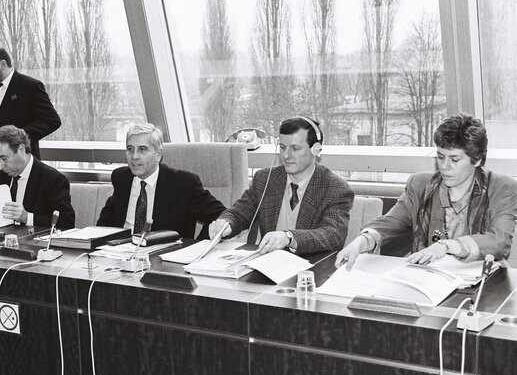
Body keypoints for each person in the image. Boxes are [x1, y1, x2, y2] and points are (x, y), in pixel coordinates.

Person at [336, 114, 517, 270]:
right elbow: (391, 222)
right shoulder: (421, 185)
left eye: (455, 159)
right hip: (429, 278)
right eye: (440, 157)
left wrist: (446, 246)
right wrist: (363, 240)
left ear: (477, 160)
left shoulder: (502, 187)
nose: (444, 166)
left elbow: (499, 241)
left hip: (482, 283)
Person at [209, 117, 354, 256]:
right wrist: (225, 223)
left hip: (312, 269)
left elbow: (333, 235)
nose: (286, 155)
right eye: (283, 147)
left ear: (315, 149)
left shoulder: (336, 188)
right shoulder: (265, 179)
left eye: (295, 148)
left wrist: (288, 238)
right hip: (267, 267)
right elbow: (239, 213)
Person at [97, 123, 225, 239]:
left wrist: (197, 246)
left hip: (163, 258)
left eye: (142, 149)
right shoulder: (121, 178)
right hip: (121, 255)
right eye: (130, 149)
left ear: (158, 154)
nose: (134, 156)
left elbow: (220, 215)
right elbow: (103, 226)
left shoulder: (183, 184)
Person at [0, 45, 61, 176]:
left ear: (2, 64)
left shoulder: (29, 86)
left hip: (20, 163)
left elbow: (52, 121)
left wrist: (17, 137)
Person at [0, 125, 74, 229]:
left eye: (4, 158)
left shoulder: (52, 179)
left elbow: (67, 222)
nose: (0, 166)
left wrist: (27, 218)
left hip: (35, 242)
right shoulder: (4, 175)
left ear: (21, 149)